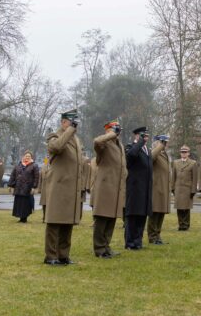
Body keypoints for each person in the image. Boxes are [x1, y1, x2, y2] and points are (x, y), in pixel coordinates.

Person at [43, 109, 84, 266]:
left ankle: (63, 255)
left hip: (72, 187)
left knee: (68, 222)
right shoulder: (54, 136)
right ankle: (50, 256)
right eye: (71, 122)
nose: (74, 126)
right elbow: (56, 148)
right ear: (63, 122)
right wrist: (70, 130)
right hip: (59, 186)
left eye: (76, 123)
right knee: (54, 222)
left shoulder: (75, 139)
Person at [92, 119, 127, 258]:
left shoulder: (120, 145)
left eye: (118, 130)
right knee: (102, 218)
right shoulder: (104, 143)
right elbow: (96, 142)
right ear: (108, 130)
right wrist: (111, 134)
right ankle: (99, 248)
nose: (118, 133)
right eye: (115, 130)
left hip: (116, 186)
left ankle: (106, 246)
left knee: (112, 218)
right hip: (105, 186)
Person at [124, 127, 153, 250]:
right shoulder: (131, 147)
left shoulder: (147, 150)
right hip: (135, 188)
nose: (145, 138)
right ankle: (130, 242)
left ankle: (138, 241)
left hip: (145, 188)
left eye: (146, 136)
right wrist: (140, 142)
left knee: (142, 215)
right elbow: (131, 156)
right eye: (142, 136)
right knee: (133, 216)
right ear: (136, 136)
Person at [147, 134, 171, 245]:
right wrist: (159, 146)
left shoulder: (164, 154)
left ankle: (157, 235)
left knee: (161, 212)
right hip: (156, 188)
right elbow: (151, 158)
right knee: (155, 213)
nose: (165, 145)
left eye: (165, 143)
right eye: (163, 142)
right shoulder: (153, 152)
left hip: (164, 188)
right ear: (157, 142)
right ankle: (152, 236)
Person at [170, 145, 198, 231]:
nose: (183, 154)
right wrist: (173, 187)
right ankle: (180, 224)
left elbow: (195, 178)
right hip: (178, 188)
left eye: (185, 152)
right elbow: (173, 176)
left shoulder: (193, 163)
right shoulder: (175, 162)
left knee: (186, 208)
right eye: (182, 152)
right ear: (180, 153)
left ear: (188, 153)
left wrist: (193, 190)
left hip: (187, 188)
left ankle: (186, 225)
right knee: (179, 208)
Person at [8, 150, 40, 223]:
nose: (27, 157)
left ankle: (24, 218)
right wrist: (10, 185)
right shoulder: (18, 165)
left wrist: (34, 187)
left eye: (29, 156)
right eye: (26, 156)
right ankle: (20, 218)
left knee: (25, 204)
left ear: (31, 157)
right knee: (19, 203)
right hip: (18, 187)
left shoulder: (34, 165)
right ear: (23, 156)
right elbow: (13, 175)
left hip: (27, 188)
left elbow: (36, 177)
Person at [37, 156, 50, 223]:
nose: (48, 158)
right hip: (44, 188)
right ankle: (44, 217)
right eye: (47, 158)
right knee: (44, 204)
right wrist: (39, 188)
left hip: (52, 188)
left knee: (51, 204)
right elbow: (40, 179)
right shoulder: (43, 166)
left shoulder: (55, 165)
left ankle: (49, 218)